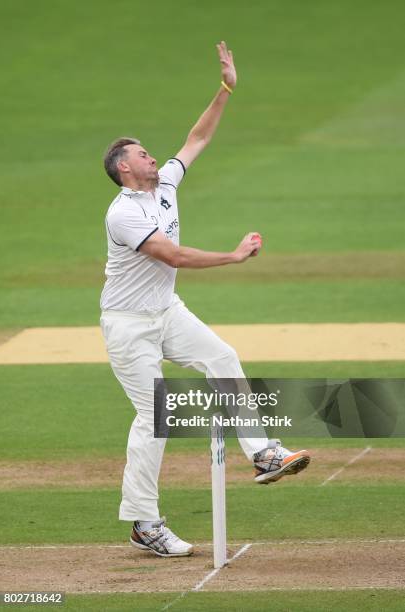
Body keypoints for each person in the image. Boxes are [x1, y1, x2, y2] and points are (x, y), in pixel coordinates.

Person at [100, 42, 310, 558]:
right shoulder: (122, 213)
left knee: (222, 357)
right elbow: (171, 256)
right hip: (128, 323)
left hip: (166, 312)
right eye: (141, 154)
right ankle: (144, 523)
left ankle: (261, 453)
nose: (152, 156)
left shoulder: (166, 183)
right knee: (155, 417)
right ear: (125, 170)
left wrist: (225, 89)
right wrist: (234, 257)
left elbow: (196, 138)